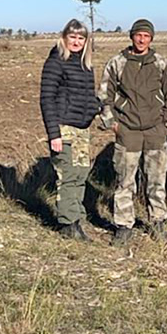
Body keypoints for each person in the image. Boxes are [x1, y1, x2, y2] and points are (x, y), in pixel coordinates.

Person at [99, 19, 167, 245]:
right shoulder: (117, 63)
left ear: (151, 38)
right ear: (131, 37)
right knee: (124, 181)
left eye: (146, 36)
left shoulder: (160, 63)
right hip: (128, 131)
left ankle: (157, 221)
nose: (142, 39)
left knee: (156, 180)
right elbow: (104, 95)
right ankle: (124, 225)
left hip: (155, 131)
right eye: (138, 35)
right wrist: (112, 123)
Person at [39, 19, 100, 241]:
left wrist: (96, 108)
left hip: (82, 129)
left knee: (80, 175)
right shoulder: (56, 62)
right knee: (66, 176)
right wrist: (53, 134)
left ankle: (77, 218)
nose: (76, 42)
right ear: (64, 38)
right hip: (64, 128)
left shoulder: (85, 64)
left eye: (80, 38)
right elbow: (46, 99)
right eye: (72, 37)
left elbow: (86, 96)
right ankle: (67, 224)